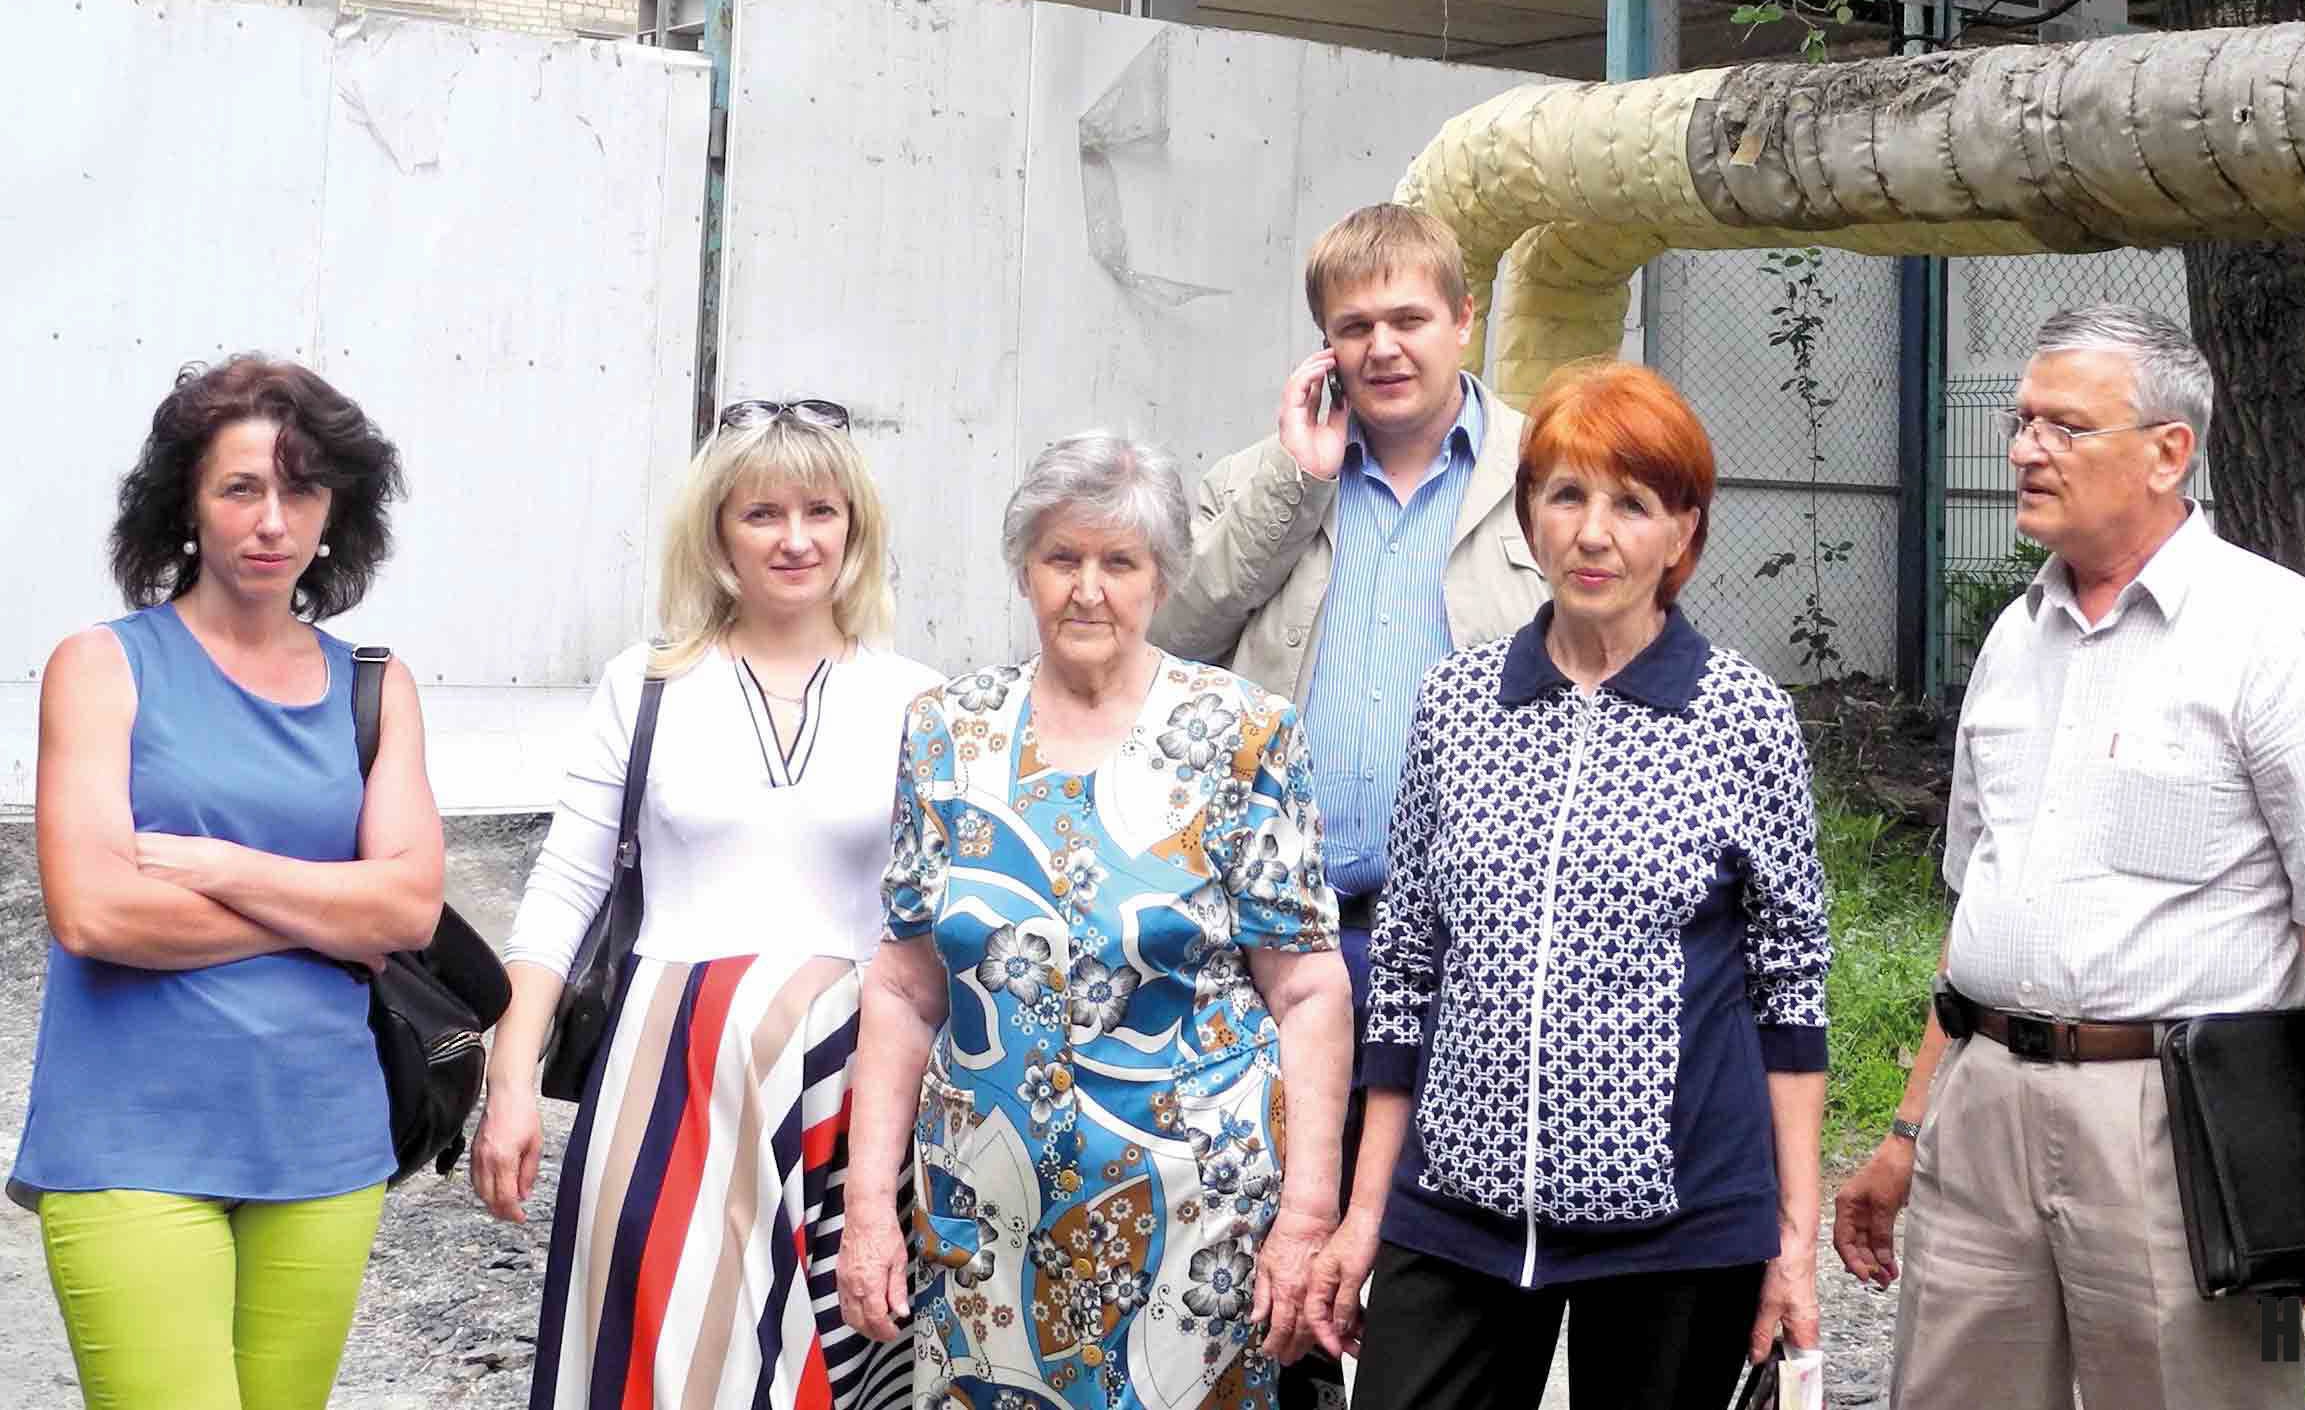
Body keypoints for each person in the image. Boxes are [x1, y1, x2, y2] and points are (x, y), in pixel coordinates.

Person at [1833, 304, 2305, 1410]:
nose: (2025, 449)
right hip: (1983, 1105)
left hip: (2174, 1128)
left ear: (2168, 452)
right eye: (2020, 422)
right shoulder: (2013, 640)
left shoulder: (2274, 631)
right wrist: (1908, 1132)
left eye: (2064, 427)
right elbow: (1978, 913)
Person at [1303, 357, 1833, 1410]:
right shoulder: (1456, 704)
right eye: (1565, 496)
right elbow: (1403, 972)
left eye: (1631, 504)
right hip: (1455, 1208)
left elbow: (1790, 988)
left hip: (1680, 1223)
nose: (1593, 534)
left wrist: (1793, 1241)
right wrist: (1364, 1215)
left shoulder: (1740, 715)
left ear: (1682, 533)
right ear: (1527, 516)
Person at [833, 430, 1353, 1408]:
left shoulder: (1244, 733)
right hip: (985, 1214)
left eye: (1119, 562)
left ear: (1161, 577)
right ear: (1022, 572)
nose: (1087, 589)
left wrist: (1307, 1214)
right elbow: (903, 987)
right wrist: (868, 1207)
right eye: (1060, 558)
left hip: (1198, 1224)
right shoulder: (948, 731)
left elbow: (1308, 990)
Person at [470, 395, 938, 1410]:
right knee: (656, 1364)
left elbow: (936, 928)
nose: (795, 539)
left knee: (831, 1367)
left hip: (849, 1090)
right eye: (762, 513)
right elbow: (564, 890)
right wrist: (509, 1083)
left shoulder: (921, 700)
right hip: (666, 1081)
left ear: (855, 527)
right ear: (718, 533)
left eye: (820, 511)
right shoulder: (643, 685)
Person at [1155, 203, 1547, 1403]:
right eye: (1352, 325)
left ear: (1465, 319)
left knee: (1437, 1251)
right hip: (1284, 940)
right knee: (1272, 1246)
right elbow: (1169, 642)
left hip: (1478, 937)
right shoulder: (1260, 481)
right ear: (1322, 343)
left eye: (1408, 318)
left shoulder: (1547, 474)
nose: (1381, 347)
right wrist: (1294, 482)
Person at [13, 354, 446, 1410]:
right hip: (128, 1139)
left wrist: (221, 868)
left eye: (301, 490)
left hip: (323, 1137)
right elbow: (95, 912)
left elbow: (406, 910)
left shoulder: (375, 686)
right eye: (240, 488)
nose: (272, 522)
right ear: (186, 506)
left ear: (336, 510)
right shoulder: (101, 666)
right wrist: (326, 915)